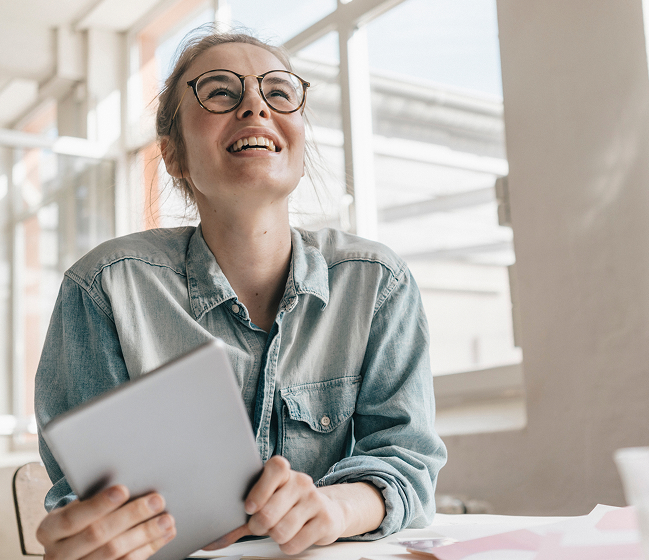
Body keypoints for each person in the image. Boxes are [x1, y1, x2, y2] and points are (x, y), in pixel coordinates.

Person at [34, 25, 447, 560]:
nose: (256, 106)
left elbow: (406, 463)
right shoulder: (105, 289)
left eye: (278, 92)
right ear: (175, 155)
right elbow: (86, 498)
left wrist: (333, 508)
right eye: (222, 92)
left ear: (298, 137)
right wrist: (87, 538)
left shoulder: (376, 284)